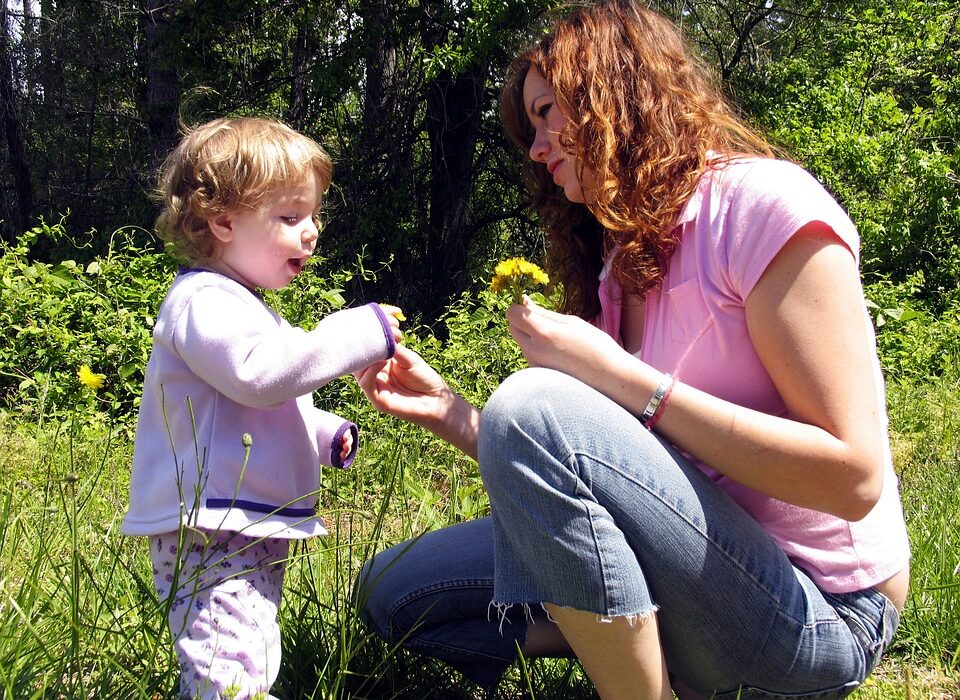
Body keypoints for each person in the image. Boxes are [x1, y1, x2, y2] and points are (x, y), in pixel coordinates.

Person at [353, 1, 910, 698]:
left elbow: (854, 480)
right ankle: (641, 652)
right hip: (693, 577)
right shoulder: (621, 262)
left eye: (549, 111)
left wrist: (623, 379)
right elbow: (614, 475)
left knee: (533, 403)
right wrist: (451, 414)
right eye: (529, 126)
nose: (535, 146)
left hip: (818, 615)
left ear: (618, 94)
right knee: (392, 594)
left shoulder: (763, 209)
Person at [121, 116, 402, 700]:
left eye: (313, 215)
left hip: (241, 522)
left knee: (247, 648)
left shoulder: (242, 306)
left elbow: (256, 400)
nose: (311, 232)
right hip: (209, 524)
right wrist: (356, 333)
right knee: (229, 664)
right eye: (290, 216)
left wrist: (323, 434)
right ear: (222, 221)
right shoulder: (202, 301)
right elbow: (260, 376)